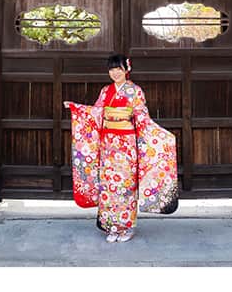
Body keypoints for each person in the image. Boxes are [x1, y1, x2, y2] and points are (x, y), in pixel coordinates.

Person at [65, 54, 178, 242]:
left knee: (125, 186)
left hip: (126, 145)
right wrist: (77, 109)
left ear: (127, 69)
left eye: (118, 69)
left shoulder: (135, 91)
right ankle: (111, 226)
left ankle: (127, 227)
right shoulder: (105, 91)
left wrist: (160, 136)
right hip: (108, 145)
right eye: (112, 69)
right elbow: (96, 113)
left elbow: (142, 118)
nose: (115, 73)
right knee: (109, 185)